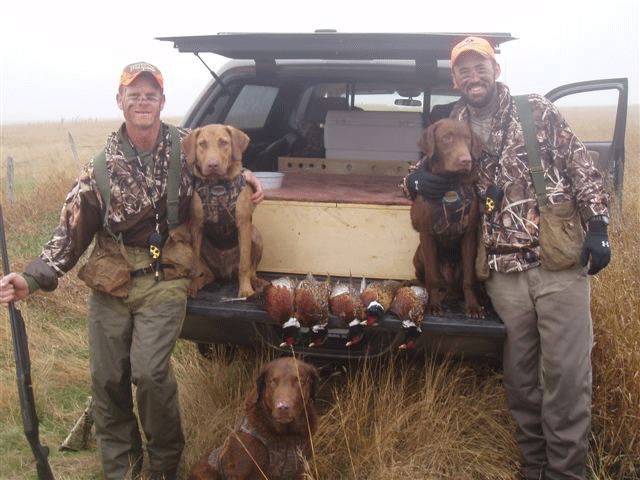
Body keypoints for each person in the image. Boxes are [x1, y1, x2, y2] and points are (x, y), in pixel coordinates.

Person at [0, 61, 263, 480]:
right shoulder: (100, 166)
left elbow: (222, 163)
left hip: (166, 274)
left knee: (149, 372)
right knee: (107, 380)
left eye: (151, 95)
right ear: (120, 101)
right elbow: (71, 229)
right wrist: (31, 278)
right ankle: (122, 467)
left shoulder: (185, 146)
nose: (143, 102)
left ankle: (163, 466)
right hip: (112, 276)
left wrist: (247, 176)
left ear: (162, 101)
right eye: (134, 95)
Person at [405, 37, 611, 479]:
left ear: (495, 71)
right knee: (521, 381)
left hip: (556, 261)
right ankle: (532, 468)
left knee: (566, 379)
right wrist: (417, 182)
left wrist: (598, 226)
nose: (473, 77)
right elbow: (423, 168)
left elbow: (581, 165)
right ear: (455, 79)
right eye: (464, 71)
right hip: (500, 270)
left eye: (481, 68)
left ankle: (566, 473)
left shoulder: (533, 108)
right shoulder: (454, 120)